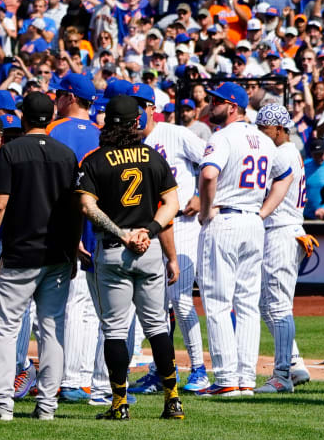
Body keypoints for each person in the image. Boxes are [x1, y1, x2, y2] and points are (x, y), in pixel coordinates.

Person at [77, 95, 184, 422]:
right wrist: (148, 231)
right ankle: (173, 400)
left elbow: (87, 207)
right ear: (137, 123)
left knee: (114, 329)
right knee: (157, 327)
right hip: (148, 247)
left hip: (114, 248)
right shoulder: (153, 157)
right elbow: (172, 204)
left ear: (107, 123)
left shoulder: (95, 160)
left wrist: (122, 232)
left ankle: (119, 403)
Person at [0, 91, 80, 422]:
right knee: (51, 329)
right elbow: (75, 207)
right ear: (50, 118)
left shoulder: (12, 151)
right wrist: (73, 246)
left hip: (21, 252)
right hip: (57, 252)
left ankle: (3, 404)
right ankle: (47, 405)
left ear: (22, 119)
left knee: (6, 328)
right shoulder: (66, 154)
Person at [196, 82, 291, 398]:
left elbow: (209, 174)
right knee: (247, 304)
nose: (211, 104)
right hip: (253, 221)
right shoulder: (263, 140)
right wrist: (263, 212)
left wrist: (206, 211)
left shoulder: (222, 137)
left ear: (233, 105)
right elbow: (286, 173)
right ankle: (245, 380)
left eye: (216, 100)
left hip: (225, 218)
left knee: (219, 302)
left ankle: (225, 379)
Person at [128, 95, 210, 396]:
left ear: (153, 110)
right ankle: (161, 370)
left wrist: (202, 197)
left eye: (142, 106)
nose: (137, 113)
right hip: (149, 230)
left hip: (183, 225)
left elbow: (213, 163)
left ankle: (199, 368)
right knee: (154, 305)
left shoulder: (175, 133)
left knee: (181, 299)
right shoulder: (130, 145)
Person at [45, 73, 102, 405]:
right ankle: (80, 379)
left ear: (69, 97)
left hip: (58, 226)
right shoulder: (101, 134)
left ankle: (66, 379)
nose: (55, 100)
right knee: (89, 309)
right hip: (92, 227)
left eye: (58, 94)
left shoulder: (53, 131)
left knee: (60, 307)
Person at [252, 104, 316, 394]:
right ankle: (294, 363)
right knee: (268, 304)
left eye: (264, 128)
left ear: (279, 129)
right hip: (286, 231)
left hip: (281, 232)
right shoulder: (290, 152)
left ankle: (281, 376)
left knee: (277, 305)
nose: (260, 133)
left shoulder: (281, 153)